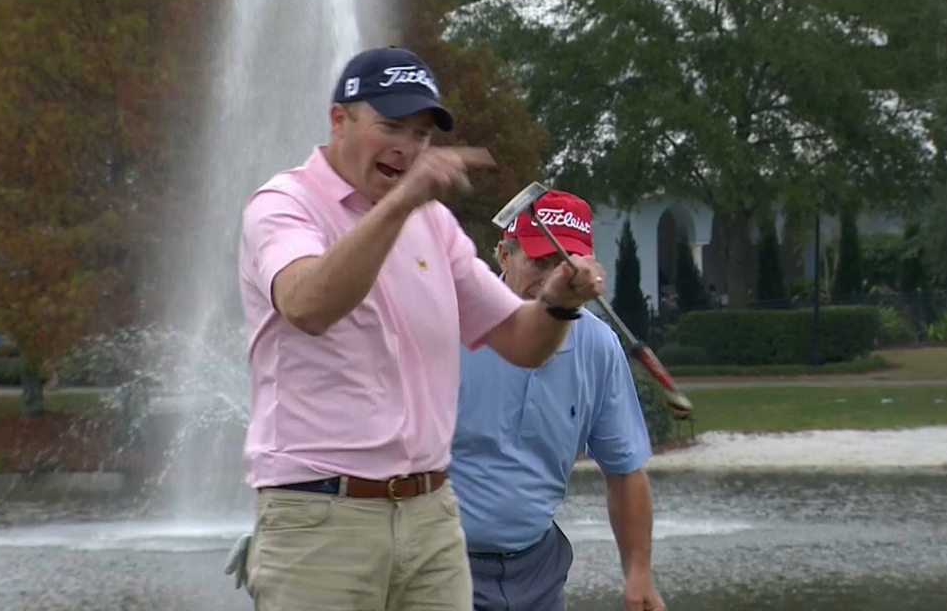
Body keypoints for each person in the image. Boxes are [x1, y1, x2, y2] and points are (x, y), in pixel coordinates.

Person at [223, 45, 607, 611]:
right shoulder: (283, 206)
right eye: (392, 126)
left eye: (423, 134)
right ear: (339, 120)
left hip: (431, 514)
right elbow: (306, 304)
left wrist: (556, 303)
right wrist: (402, 203)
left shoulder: (433, 224)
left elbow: (521, 343)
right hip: (319, 515)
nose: (408, 147)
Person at [451, 190, 666, 611]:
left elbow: (624, 472)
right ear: (503, 256)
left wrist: (638, 573)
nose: (553, 279)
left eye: (565, 265)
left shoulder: (598, 344)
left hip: (538, 570)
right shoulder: (454, 321)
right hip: (443, 564)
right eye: (540, 262)